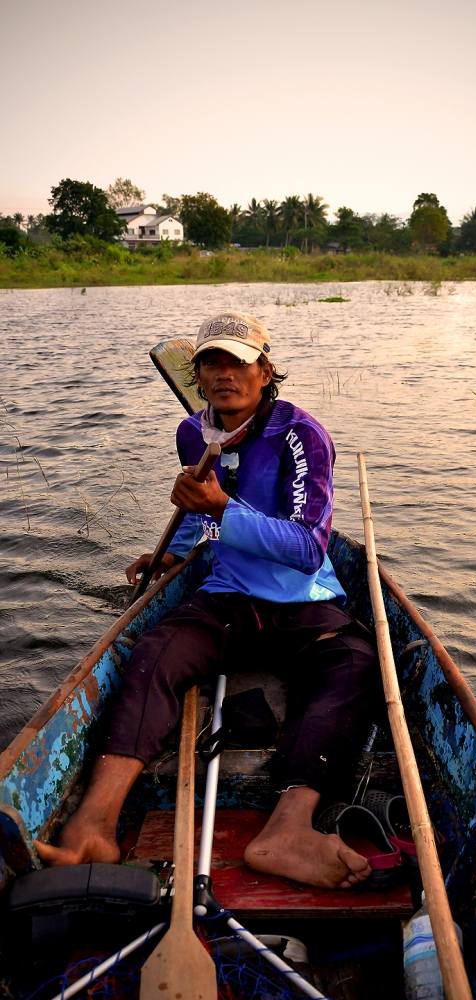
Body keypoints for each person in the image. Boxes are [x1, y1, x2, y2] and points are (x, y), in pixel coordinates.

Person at [35, 311, 378, 890]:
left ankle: (288, 829)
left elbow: (305, 547)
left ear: (266, 371)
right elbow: (201, 519)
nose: (224, 375)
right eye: (211, 363)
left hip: (302, 599)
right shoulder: (194, 433)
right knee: (155, 651)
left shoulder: (301, 435)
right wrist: (177, 554)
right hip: (227, 597)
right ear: (197, 375)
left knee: (355, 664)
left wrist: (222, 508)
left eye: (239, 363)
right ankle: (94, 825)